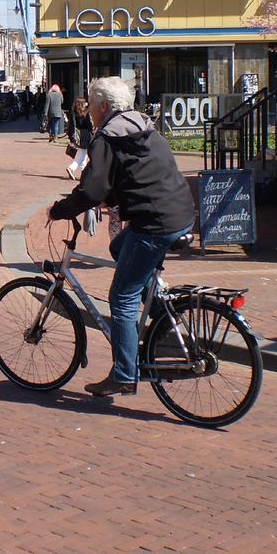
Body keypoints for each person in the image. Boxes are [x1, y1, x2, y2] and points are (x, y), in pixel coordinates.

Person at [48, 76, 195, 398]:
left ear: (103, 106)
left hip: (154, 223)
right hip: (181, 214)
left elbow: (93, 189)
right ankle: (159, 313)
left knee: (122, 299)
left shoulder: (107, 138)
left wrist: (60, 210)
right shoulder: (144, 127)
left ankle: (124, 374)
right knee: (119, 246)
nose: (88, 112)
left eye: (91, 104)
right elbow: (137, 174)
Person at [65, 96, 92, 180]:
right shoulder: (85, 113)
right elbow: (89, 125)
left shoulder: (73, 113)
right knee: (83, 153)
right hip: (85, 135)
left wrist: (72, 136)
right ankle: (75, 169)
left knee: (82, 153)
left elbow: (72, 125)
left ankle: (80, 171)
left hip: (78, 134)